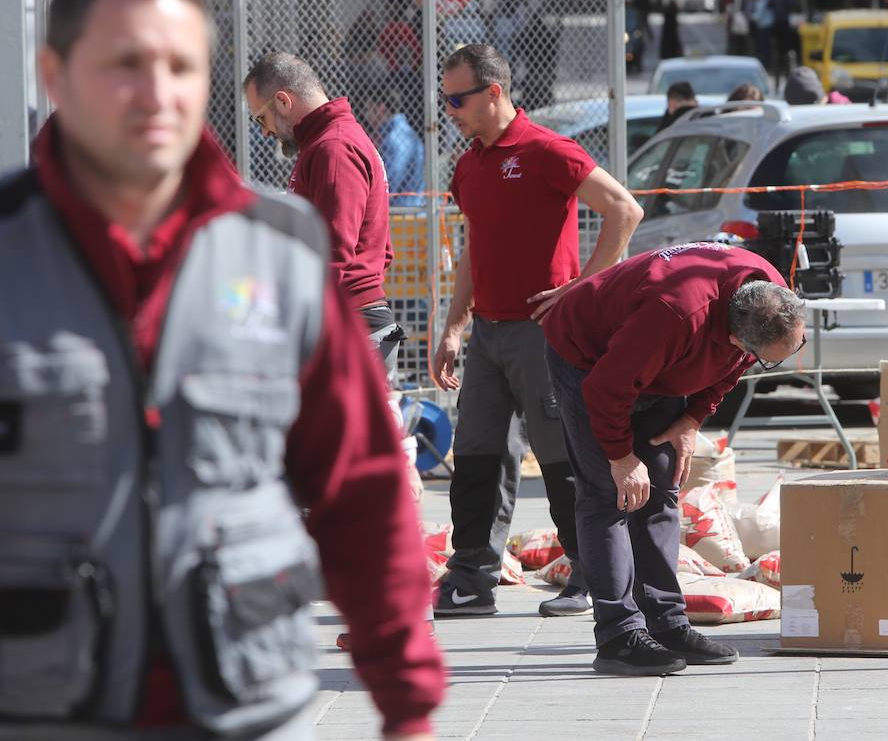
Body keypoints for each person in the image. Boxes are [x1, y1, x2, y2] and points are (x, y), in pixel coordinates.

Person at [5, 0, 441, 739]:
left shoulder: (277, 251)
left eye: (181, 64)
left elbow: (361, 488)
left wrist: (406, 700)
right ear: (55, 76)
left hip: (241, 704)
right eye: (124, 63)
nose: (157, 92)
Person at [430, 44, 644, 618]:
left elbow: (625, 210)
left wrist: (581, 289)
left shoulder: (547, 149)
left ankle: (587, 570)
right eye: (444, 97)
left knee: (562, 456)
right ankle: (472, 573)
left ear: (493, 92)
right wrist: (455, 325)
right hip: (489, 338)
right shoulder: (471, 161)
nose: (448, 108)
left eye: (457, 98)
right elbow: (474, 243)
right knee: (476, 454)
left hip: (544, 335)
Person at [541, 243, 807, 675]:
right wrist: (621, 456)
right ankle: (618, 636)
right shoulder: (674, 315)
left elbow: (734, 365)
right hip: (588, 359)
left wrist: (692, 418)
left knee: (662, 487)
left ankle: (665, 622)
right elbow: (605, 389)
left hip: (657, 363)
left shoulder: (768, 292)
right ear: (735, 336)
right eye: (770, 361)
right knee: (610, 496)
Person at [243, 54, 428, 648]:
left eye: (260, 117)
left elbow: (336, 253)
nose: (263, 131)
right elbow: (371, 252)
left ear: (284, 101)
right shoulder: (335, 144)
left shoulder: (331, 149)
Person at [361, 82, 426, 208]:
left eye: (368, 108)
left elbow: (389, 182)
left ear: (381, 108)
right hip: (409, 209)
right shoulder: (401, 133)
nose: (365, 114)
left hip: (401, 212)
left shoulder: (394, 138)